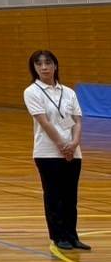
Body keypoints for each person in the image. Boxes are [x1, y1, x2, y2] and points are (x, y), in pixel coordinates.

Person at [25, 49, 90, 250]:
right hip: (48, 152)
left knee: (70, 196)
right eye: (39, 64)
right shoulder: (32, 92)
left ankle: (72, 235)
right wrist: (62, 145)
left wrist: (74, 143)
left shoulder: (68, 92)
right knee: (54, 195)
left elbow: (77, 120)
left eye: (48, 63)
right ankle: (58, 235)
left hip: (73, 152)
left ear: (55, 65)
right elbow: (44, 122)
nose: (44, 67)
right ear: (34, 68)